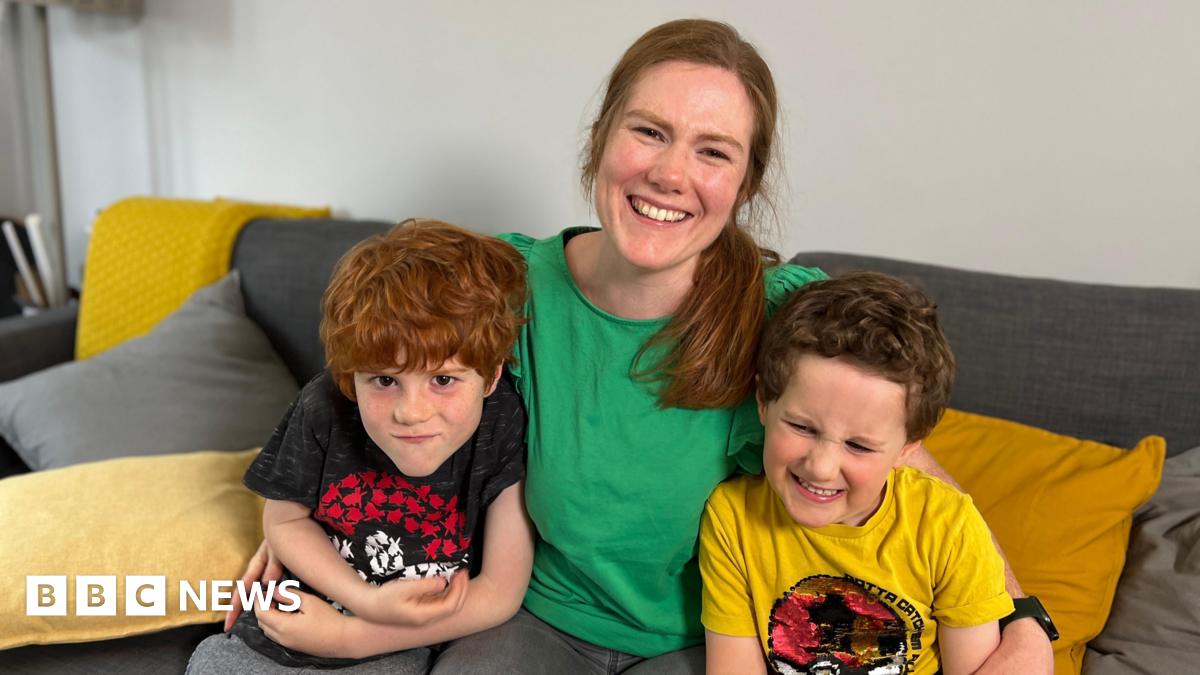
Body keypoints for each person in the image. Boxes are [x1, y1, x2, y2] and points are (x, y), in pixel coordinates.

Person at [219, 19, 1053, 675]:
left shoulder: (786, 313)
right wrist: (314, 512)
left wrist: (1023, 618)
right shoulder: (508, 283)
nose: (670, 173)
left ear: (745, 184)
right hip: (537, 616)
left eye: (712, 150)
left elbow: (905, 460)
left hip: (709, 638)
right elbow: (387, 355)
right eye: (649, 132)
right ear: (601, 140)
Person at [187, 219, 534, 674]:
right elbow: (284, 518)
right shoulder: (323, 406)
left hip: (397, 647)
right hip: (283, 631)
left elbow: (501, 592)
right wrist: (364, 600)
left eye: (443, 380)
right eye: (385, 380)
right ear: (351, 376)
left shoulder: (503, 419)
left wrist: (352, 637)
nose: (411, 412)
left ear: (489, 377)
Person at [700, 272, 1014, 675]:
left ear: (908, 447)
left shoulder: (948, 526)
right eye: (802, 427)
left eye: (859, 446)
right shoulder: (732, 519)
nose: (821, 466)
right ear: (763, 402)